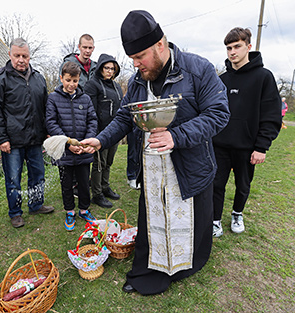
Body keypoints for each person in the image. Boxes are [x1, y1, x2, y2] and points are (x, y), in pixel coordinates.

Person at [81, 10, 230, 295]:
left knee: (190, 223)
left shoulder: (198, 69)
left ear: (160, 45)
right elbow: (125, 118)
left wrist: (176, 136)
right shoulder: (138, 81)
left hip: (190, 165)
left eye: (140, 58)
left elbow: (219, 114)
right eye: (132, 60)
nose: (136, 66)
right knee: (152, 221)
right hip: (151, 170)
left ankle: (185, 266)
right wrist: (100, 140)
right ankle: (151, 268)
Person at [212, 27, 282, 238]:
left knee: (243, 184)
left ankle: (237, 214)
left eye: (237, 46)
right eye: (228, 48)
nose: (232, 52)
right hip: (220, 144)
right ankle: (215, 221)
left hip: (248, 146)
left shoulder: (264, 77)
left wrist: (261, 146)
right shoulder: (222, 79)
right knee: (216, 184)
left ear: (248, 47)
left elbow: (271, 114)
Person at [0, 38, 55, 228]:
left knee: (38, 175)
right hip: (12, 141)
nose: (21, 60)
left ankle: (36, 204)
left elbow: (45, 107)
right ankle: (15, 212)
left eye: (24, 56)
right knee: (13, 179)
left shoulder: (39, 78)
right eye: (17, 55)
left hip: (35, 139)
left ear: (29, 56)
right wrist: (1, 138)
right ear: (9, 55)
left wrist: (48, 131)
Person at [46, 61, 98, 231]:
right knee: (66, 183)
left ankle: (84, 209)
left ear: (79, 80)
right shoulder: (53, 98)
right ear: (61, 78)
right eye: (68, 80)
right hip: (64, 151)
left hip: (83, 150)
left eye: (75, 81)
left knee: (84, 183)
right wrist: (68, 143)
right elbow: (51, 123)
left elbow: (92, 120)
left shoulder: (85, 98)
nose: (71, 84)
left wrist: (87, 141)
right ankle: (70, 211)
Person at [84, 54, 123, 208]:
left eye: (112, 68)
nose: (109, 71)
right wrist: (95, 133)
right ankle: (97, 194)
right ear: (100, 68)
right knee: (98, 164)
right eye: (106, 68)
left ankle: (105, 187)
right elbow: (90, 111)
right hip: (100, 132)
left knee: (108, 162)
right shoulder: (92, 85)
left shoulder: (116, 86)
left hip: (115, 131)